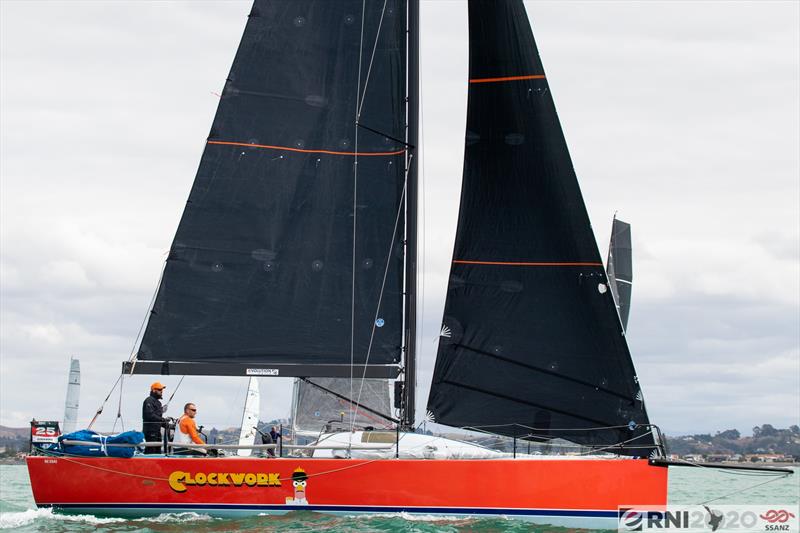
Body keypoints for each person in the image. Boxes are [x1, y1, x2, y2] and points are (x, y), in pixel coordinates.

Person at [142, 382, 167, 454]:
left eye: (162, 390)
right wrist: (162, 420)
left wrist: (166, 423)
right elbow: (149, 415)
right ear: (153, 390)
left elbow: (157, 417)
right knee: (151, 451)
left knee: (158, 452)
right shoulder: (149, 400)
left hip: (157, 432)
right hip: (150, 432)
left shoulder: (158, 403)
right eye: (159, 390)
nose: (161, 391)